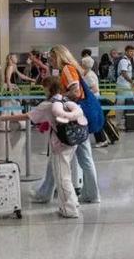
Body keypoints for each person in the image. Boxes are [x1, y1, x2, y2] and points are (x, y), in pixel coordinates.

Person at [0, 76, 86, 218]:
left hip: (60, 144)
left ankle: (69, 209)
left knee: (62, 177)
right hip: (72, 141)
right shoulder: (64, 100)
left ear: (48, 88)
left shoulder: (48, 104)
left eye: (44, 87)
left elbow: (28, 116)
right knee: (66, 173)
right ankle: (73, 203)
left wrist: (4, 118)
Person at [30, 46, 100, 205]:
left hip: (72, 119)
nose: (51, 61)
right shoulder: (70, 69)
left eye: (53, 58)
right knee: (80, 157)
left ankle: (47, 193)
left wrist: (58, 99)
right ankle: (89, 193)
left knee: (62, 155)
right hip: (77, 118)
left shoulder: (67, 70)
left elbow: (75, 93)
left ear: (60, 57)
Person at [115, 45, 134, 129]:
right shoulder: (124, 61)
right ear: (126, 52)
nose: (132, 53)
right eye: (130, 51)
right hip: (123, 85)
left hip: (126, 85)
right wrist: (132, 82)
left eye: (133, 51)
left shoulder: (129, 61)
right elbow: (124, 73)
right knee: (122, 103)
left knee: (126, 103)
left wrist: (132, 83)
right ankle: (118, 123)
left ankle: (125, 121)